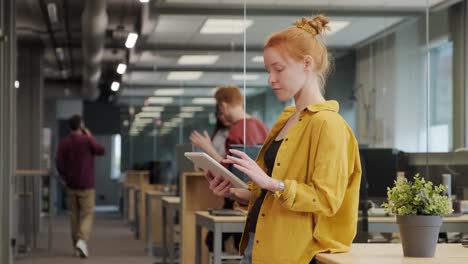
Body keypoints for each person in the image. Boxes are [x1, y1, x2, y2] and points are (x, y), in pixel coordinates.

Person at [204, 15, 362, 264]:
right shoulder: (287, 119)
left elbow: (326, 199)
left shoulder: (329, 124)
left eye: (279, 68)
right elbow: (274, 196)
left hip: (294, 253)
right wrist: (238, 193)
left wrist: (271, 183)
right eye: (269, 70)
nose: (271, 78)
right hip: (261, 243)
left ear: (306, 63)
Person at [56, 115, 105, 258]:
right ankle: (82, 240)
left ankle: (76, 248)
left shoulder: (63, 142)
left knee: (74, 216)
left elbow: (58, 163)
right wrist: (90, 136)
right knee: (88, 213)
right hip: (86, 185)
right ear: (81, 125)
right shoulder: (87, 140)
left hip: (70, 184)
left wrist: (65, 176)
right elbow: (101, 150)